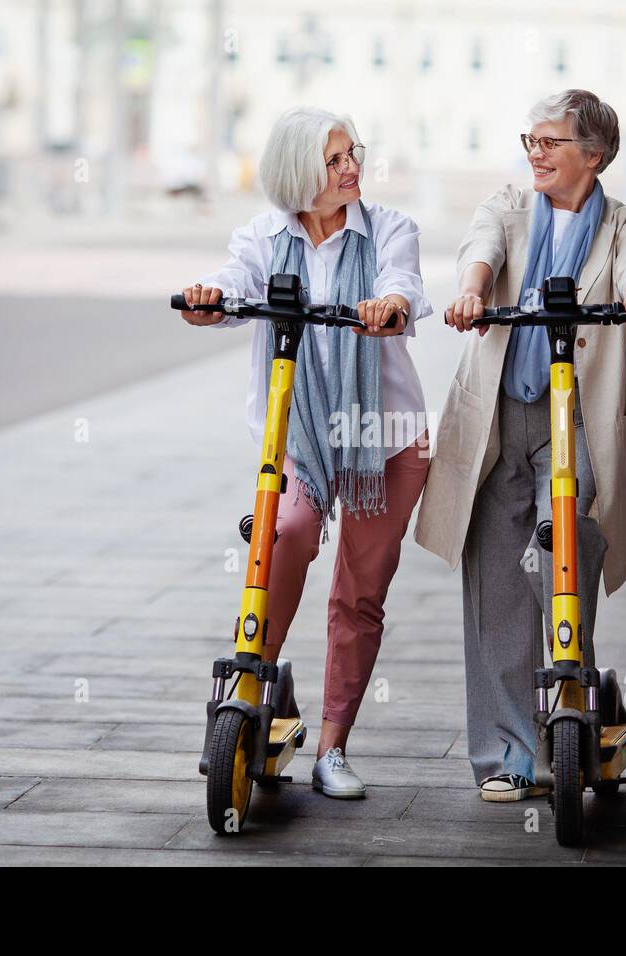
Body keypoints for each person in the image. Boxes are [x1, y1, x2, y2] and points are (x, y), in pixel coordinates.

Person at [414, 90, 626, 802]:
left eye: (550, 141)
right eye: (529, 138)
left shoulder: (623, 222)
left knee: (563, 555)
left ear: (593, 155)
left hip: (575, 423)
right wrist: (470, 292)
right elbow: (480, 251)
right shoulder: (506, 205)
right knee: (496, 583)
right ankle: (505, 754)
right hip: (501, 416)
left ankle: (568, 709)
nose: (535, 151)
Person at [179, 107, 431, 799]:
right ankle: (247, 689)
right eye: (335, 159)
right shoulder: (263, 236)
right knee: (284, 531)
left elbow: (405, 287)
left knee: (358, 594)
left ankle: (333, 748)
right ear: (299, 171)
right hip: (298, 432)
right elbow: (234, 289)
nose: (353, 167)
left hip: (388, 435)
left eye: (355, 152)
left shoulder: (390, 230)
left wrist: (387, 306)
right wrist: (209, 300)